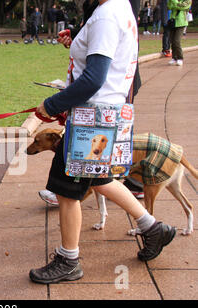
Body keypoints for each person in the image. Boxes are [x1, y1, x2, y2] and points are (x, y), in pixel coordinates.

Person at [30, 0, 176, 285]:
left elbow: (94, 79)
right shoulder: (118, 9)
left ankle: (69, 260)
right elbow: (103, 61)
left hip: (91, 118)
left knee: (67, 191)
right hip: (105, 114)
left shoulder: (107, 15)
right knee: (98, 179)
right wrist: (78, 41)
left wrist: (51, 104)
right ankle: (153, 228)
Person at [168, 0, 192, 66]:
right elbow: (170, 7)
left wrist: (174, 2)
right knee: (172, 41)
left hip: (181, 22)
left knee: (176, 41)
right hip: (173, 22)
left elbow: (182, 7)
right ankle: (174, 58)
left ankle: (180, 58)